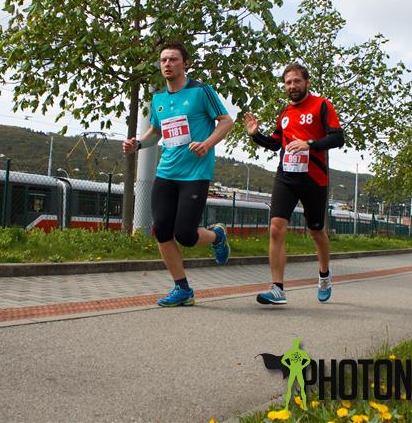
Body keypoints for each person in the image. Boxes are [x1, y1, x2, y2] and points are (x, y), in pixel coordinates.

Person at [122, 42, 233, 307]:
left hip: (195, 173)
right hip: (166, 173)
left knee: (185, 235)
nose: (167, 64)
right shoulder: (159, 99)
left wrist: (207, 144)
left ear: (185, 64)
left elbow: (226, 121)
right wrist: (138, 144)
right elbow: (156, 132)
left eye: (173, 59)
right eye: (163, 60)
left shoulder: (201, 91)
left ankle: (217, 236)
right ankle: (182, 288)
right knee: (161, 230)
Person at [243, 63, 344, 305]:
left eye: (297, 81)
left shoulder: (321, 105)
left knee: (316, 231)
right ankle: (277, 288)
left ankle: (324, 275)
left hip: (314, 179)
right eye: (288, 82)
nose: (292, 86)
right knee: (276, 228)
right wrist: (256, 135)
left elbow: (337, 138)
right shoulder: (285, 113)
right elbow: (276, 143)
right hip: (286, 177)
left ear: (307, 82)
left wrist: (309, 143)